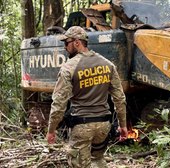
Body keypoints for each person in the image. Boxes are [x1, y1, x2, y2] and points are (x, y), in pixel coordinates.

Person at [46, 26, 128, 168]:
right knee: (98, 160)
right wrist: (123, 125)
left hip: (81, 126)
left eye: (67, 43)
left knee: (80, 164)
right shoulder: (108, 65)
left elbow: (59, 103)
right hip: (104, 126)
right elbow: (119, 98)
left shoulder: (69, 68)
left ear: (77, 42)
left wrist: (51, 130)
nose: (65, 47)